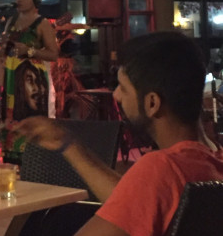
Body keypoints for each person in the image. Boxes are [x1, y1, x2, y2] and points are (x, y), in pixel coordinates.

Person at [14, 31, 223, 236]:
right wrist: (67, 143)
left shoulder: (161, 169)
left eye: (123, 87)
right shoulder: (210, 164)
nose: (116, 95)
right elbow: (135, 201)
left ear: (152, 103)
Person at [0, 0, 59, 164]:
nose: (19, 0)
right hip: (12, 78)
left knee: (31, 116)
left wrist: (29, 51)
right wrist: (2, 46)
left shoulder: (42, 23)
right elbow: (5, 50)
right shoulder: (11, 21)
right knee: (12, 116)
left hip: (33, 81)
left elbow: (53, 54)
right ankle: (12, 161)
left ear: (34, 1)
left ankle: (34, 162)